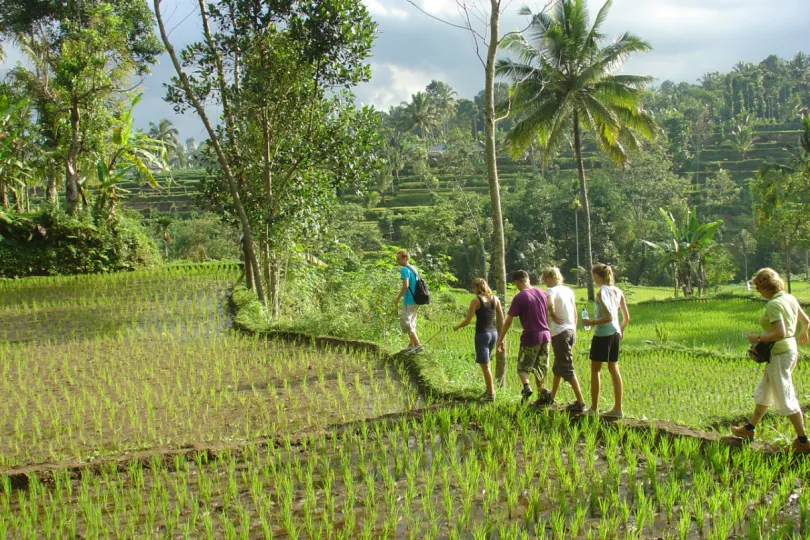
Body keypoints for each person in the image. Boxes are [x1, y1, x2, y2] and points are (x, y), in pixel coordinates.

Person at [731, 268, 810, 453]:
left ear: (764, 287)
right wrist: (803, 331)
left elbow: (780, 333)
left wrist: (757, 338)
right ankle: (749, 429)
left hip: (781, 354)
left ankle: (803, 440)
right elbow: (806, 320)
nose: (758, 292)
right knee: (765, 390)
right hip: (788, 351)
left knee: (785, 395)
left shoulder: (773, 305)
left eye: (758, 288)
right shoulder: (788, 298)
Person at [496, 270, 553, 405]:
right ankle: (541, 395)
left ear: (517, 282)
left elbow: (509, 320)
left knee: (523, 367)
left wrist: (500, 339)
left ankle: (526, 387)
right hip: (546, 335)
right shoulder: (543, 293)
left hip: (531, 335)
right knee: (541, 367)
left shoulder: (520, 297)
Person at [582, 264, 630, 419]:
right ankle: (618, 408)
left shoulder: (601, 292)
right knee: (613, 368)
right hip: (615, 333)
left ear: (597, 276)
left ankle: (594, 408)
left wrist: (592, 322)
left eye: (593, 276)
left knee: (595, 369)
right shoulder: (618, 291)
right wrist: (620, 329)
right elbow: (626, 318)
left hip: (602, 333)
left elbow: (608, 317)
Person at [541, 267, 587, 413]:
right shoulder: (569, 290)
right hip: (570, 330)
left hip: (560, 333)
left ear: (549, 278)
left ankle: (580, 402)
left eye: (545, 279)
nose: (545, 283)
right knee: (558, 366)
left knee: (566, 367)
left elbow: (549, 304)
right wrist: (573, 328)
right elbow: (575, 312)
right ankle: (552, 396)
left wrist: (553, 314)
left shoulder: (551, 290)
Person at [453, 278, 505, 402]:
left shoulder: (476, 301)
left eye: (473, 287)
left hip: (482, 334)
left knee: (485, 365)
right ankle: (488, 390)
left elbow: (467, 321)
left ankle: (491, 394)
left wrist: (457, 327)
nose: (473, 290)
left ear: (477, 287)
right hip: (493, 334)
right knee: (487, 363)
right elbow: (501, 319)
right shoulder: (495, 299)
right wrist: (501, 337)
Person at [394, 250, 422, 353]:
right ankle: (412, 345)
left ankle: (418, 344)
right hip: (416, 300)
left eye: (399, 258)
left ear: (405, 258)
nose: (398, 261)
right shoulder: (413, 268)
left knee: (406, 322)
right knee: (412, 322)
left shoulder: (405, 269)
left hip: (409, 300)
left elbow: (405, 286)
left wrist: (397, 299)